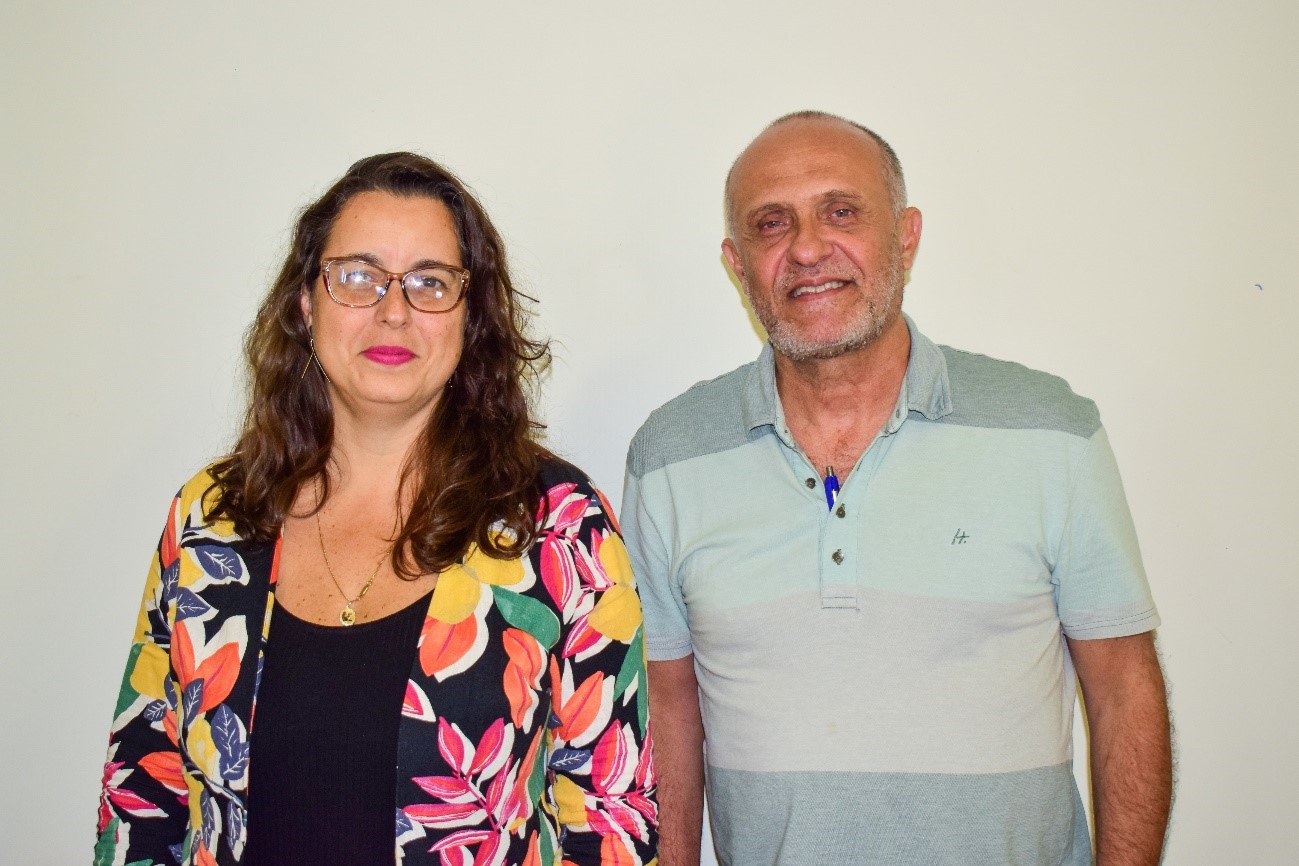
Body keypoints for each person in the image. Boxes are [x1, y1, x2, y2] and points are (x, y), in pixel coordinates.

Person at [622, 112, 1171, 865]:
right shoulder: (668, 455)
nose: (807, 248)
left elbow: (1122, 688)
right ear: (737, 262)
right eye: (771, 224)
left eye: (840, 212)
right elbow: (668, 711)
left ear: (905, 236)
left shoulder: (1051, 432)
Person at [96, 152, 657, 866]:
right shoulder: (210, 519)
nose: (394, 310)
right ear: (306, 303)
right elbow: (144, 791)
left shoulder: (555, 525)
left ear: (471, 315)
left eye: (430, 282)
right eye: (357, 277)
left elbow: (611, 820)